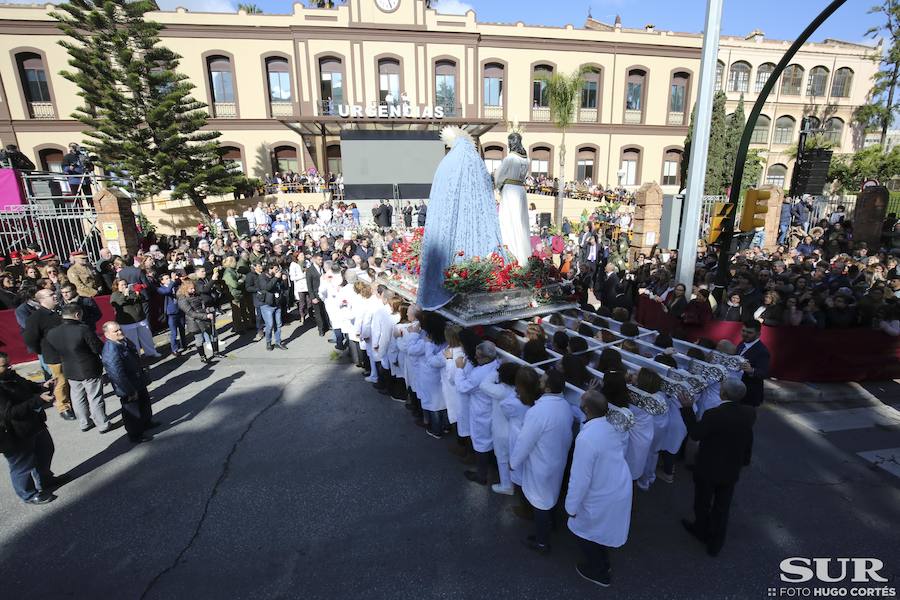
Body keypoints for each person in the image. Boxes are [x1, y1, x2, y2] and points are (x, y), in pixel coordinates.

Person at [678, 380, 756, 556]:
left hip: (708, 467)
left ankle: (701, 529)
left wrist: (687, 409)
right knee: (722, 506)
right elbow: (748, 437)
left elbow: (696, 433)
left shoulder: (714, 414)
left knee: (702, 502)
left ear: (723, 394)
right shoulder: (749, 413)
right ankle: (715, 543)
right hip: (731, 467)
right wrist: (745, 459)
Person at [565, 390, 633, 587]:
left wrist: (571, 507)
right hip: (616, 486)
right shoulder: (610, 426)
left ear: (585, 409)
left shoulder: (586, 439)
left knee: (584, 532)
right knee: (600, 531)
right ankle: (604, 563)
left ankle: (599, 572)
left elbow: (580, 478)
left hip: (600, 494)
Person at [510, 368, 574, 554]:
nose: (539, 381)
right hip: (556, 459)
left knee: (540, 503)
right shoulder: (564, 405)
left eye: (542, 380)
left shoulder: (538, 411)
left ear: (546, 389)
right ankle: (550, 526)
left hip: (541, 464)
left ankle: (542, 542)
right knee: (550, 497)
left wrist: (514, 463)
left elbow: (524, 442)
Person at [44, 304, 113, 434]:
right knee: (94, 397)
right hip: (89, 367)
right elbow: (97, 347)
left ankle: (84, 422)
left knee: (77, 397)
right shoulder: (83, 329)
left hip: (69, 368)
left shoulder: (52, 332)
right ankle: (103, 424)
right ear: (77, 315)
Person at [0, 352, 58, 505]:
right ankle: (29, 494)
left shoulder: (10, 375)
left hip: (33, 423)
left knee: (46, 449)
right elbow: (10, 413)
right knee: (22, 465)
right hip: (14, 433)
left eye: (8, 363)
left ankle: (45, 480)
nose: (9, 367)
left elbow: (26, 385)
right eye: (4, 365)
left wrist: (41, 386)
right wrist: (38, 400)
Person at [23, 288, 74, 421]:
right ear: (41, 300)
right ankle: (63, 407)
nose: (55, 296)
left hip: (67, 352)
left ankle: (73, 403)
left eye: (54, 293)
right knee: (61, 381)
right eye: (51, 295)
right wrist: (41, 350)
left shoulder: (59, 311)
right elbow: (30, 338)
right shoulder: (36, 317)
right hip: (53, 355)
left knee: (70, 379)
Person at [101, 322, 156, 443]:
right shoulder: (111, 350)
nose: (120, 332)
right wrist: (129, 391)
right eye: (115, 331)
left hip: (137, 380)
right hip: (128, 386)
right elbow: (116, 374)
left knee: (144, 403)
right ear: (107, 335)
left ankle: (146, 423)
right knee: (132, 411)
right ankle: (135, 434)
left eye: (120, 329)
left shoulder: (123, 342)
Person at [455, 341, 501, 484]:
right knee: (491, 441)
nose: (475, 357)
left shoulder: (479, 373)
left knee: (481, 443)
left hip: (481, 411)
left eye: (478, 356)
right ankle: (495, 470)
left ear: (486, 358)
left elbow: (462, 387)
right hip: (491, 410)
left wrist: (459, 369)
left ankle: (481, 476)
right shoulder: (497, 364)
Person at [495, 132, 532, 264]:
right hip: (520, 190)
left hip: (510, 190)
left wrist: (498, 186)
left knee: (508, 222)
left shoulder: (510, 158)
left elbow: (499, 175)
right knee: (520, 223)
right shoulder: (526, 159)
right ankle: (523, 254)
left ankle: (511, 254)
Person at [110, 278, 160, 358]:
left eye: (125, 284)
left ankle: (151, 352)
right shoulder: (115, 295)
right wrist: (124, 295)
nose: (125, 286)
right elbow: (119, 303)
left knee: (147, 337)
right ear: (117, 286)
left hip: (140, 319)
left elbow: (141, 299)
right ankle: (136, 356)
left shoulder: (131, 291)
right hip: (127, 322)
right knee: (133, 341)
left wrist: (138, 293)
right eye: (122, 285)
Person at [176, 279, 217, 363]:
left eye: (193, 288)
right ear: (185, 289)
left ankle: (216, 352)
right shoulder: (182, 300)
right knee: (199, 339)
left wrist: (208, 309)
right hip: (194, 321)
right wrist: (206, 315)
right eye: (191, 289)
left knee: (213, 335)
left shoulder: (195, 295)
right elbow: (191, 313)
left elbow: (202, 306)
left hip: (204, 317)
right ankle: (203, 357)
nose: (193, 290)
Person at [736, 320, 770, 407]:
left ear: (758, 334)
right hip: (737, 390)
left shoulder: (762, 351)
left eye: (749, 332)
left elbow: (763, 373)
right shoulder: (742, 343)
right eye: (743, 331)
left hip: (750, 394)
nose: (745, 334)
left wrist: (751, 370)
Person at [258, 262, 288, 351]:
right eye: (276, 269)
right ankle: (268, 342)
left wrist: (284, 280)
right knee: (269, 325)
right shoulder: (262, 277)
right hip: (267, 305)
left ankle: (278, 342)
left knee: (278, 324)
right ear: (270, 269)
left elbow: (283, 287)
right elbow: (267, 287)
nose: (277, 271)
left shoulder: (277, 277)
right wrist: (276, 278)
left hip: (277, 303)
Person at [306, 254, 330, 337]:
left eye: (322, 260)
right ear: (315, 260)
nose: (321, 261)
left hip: (324, 293)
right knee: (318, 312)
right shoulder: (310, 270)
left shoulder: (323, 268)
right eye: (319, 260)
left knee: (325, 310)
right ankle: (321, 329)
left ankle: (327, 325)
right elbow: (309, 285)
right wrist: (312, 297)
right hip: (316, 294)